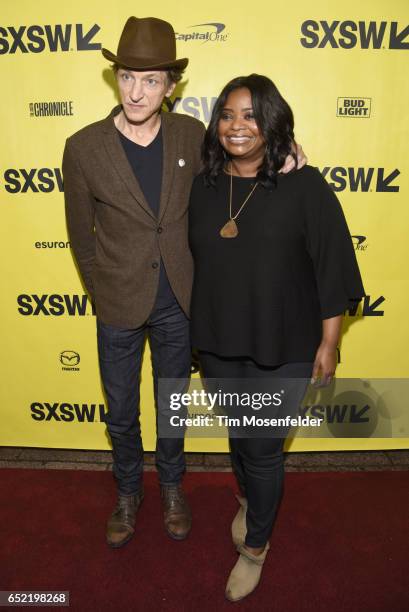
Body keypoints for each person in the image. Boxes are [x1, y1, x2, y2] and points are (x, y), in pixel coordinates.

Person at [63, 17, 304, 550]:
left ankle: (172, 487)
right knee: (121, 411)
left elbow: (241, 162)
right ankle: (128, 492)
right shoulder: (82, 147)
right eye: (128, 77)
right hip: (118, 305)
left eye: (150, 80)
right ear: (115, 78)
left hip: (180, 302)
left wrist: (287, 150)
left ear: (171, 85)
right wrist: (104, 291)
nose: (137, 91)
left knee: (172, 405)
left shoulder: (191, 135)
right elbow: (82, 237)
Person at [189, 74, 365, 601]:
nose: (236, 126)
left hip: (284, 345)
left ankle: (256, 547)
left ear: (272, 123)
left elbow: (334, 268)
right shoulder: (203, 185)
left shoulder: (306, 186)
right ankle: (248, 499)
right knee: (240, 437)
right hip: (219, 340)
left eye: (249, 115)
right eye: (226, 114)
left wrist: (329, 343)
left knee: (264, 449)